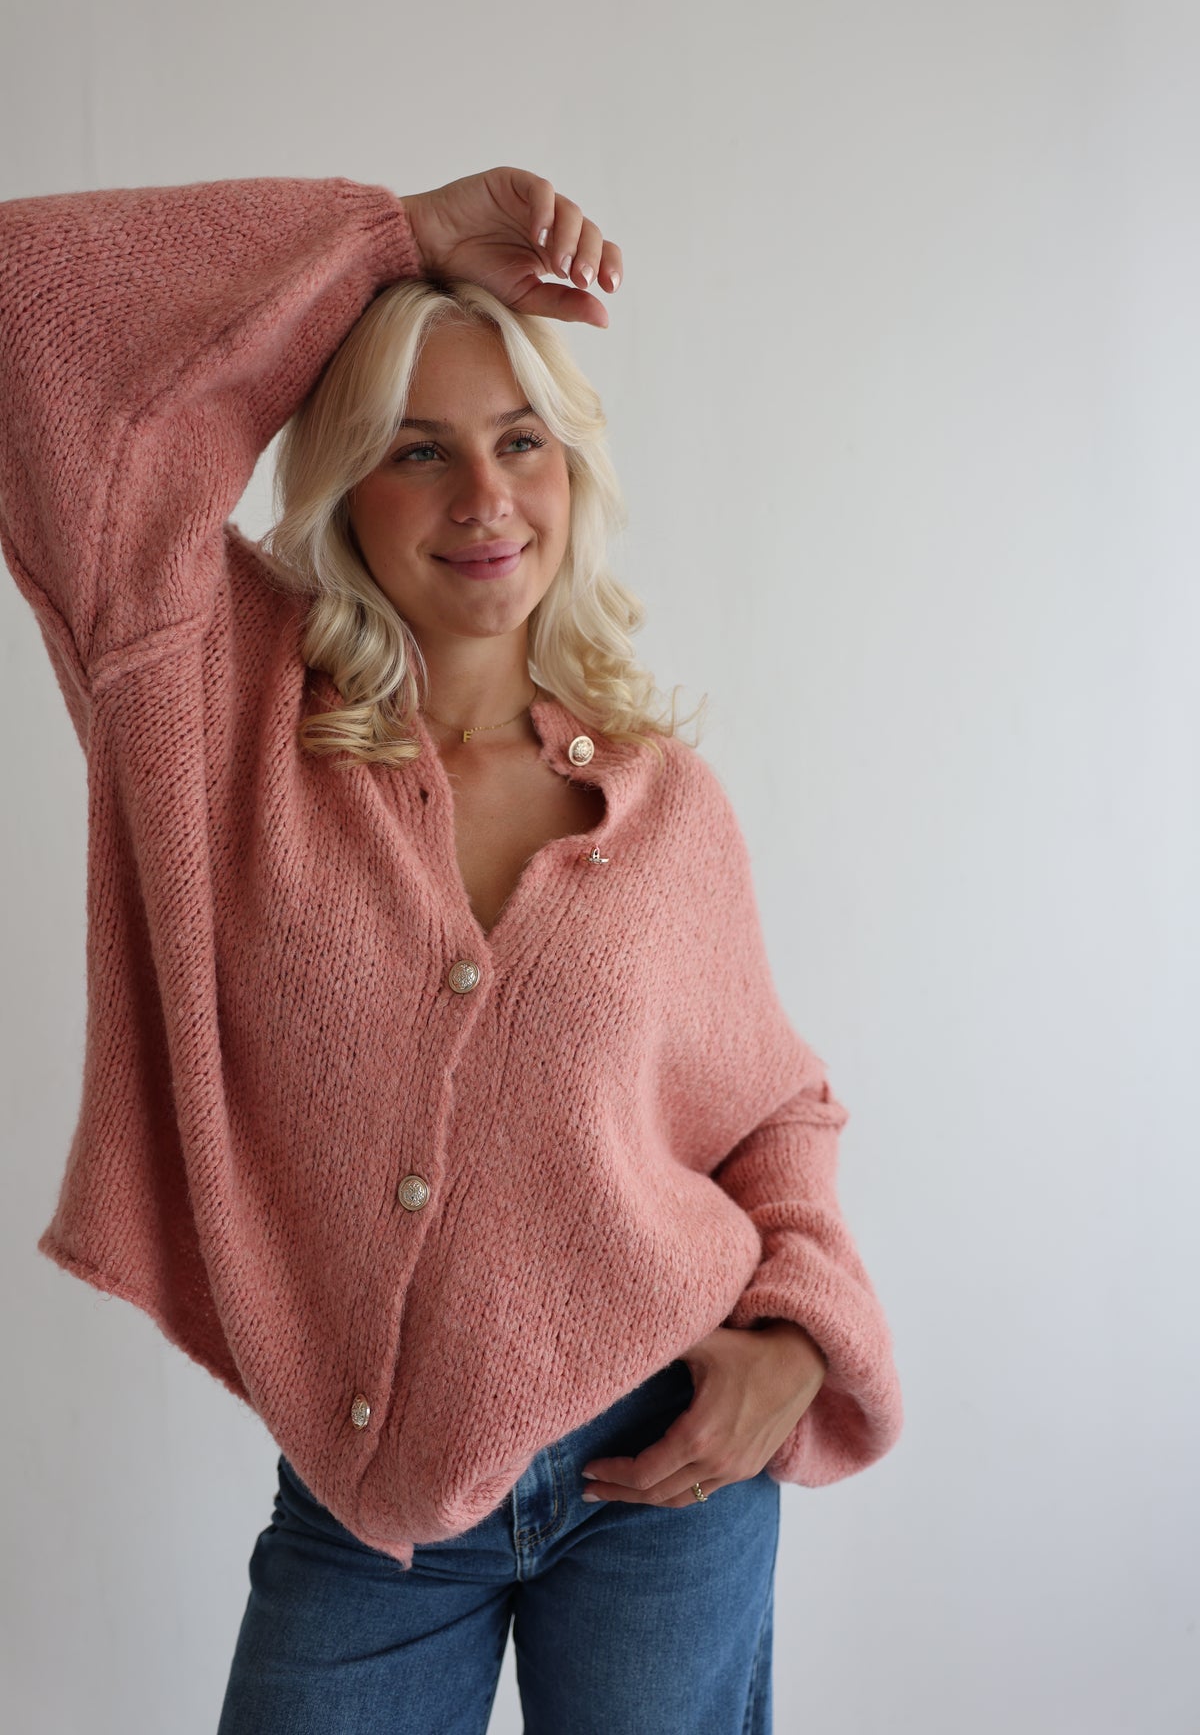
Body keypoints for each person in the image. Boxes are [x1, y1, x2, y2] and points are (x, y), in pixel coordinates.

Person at [0, 165, 904, 1733]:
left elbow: (772, 1108)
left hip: (667, 1466)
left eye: (521, 441)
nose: (486, 497)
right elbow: (35, 324)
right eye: (418, 450)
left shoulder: (662, 806)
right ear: (344, 485)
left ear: (573, 472)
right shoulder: (217, 709)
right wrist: (391, 238)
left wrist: (796, 1337)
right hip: (369, 1507)